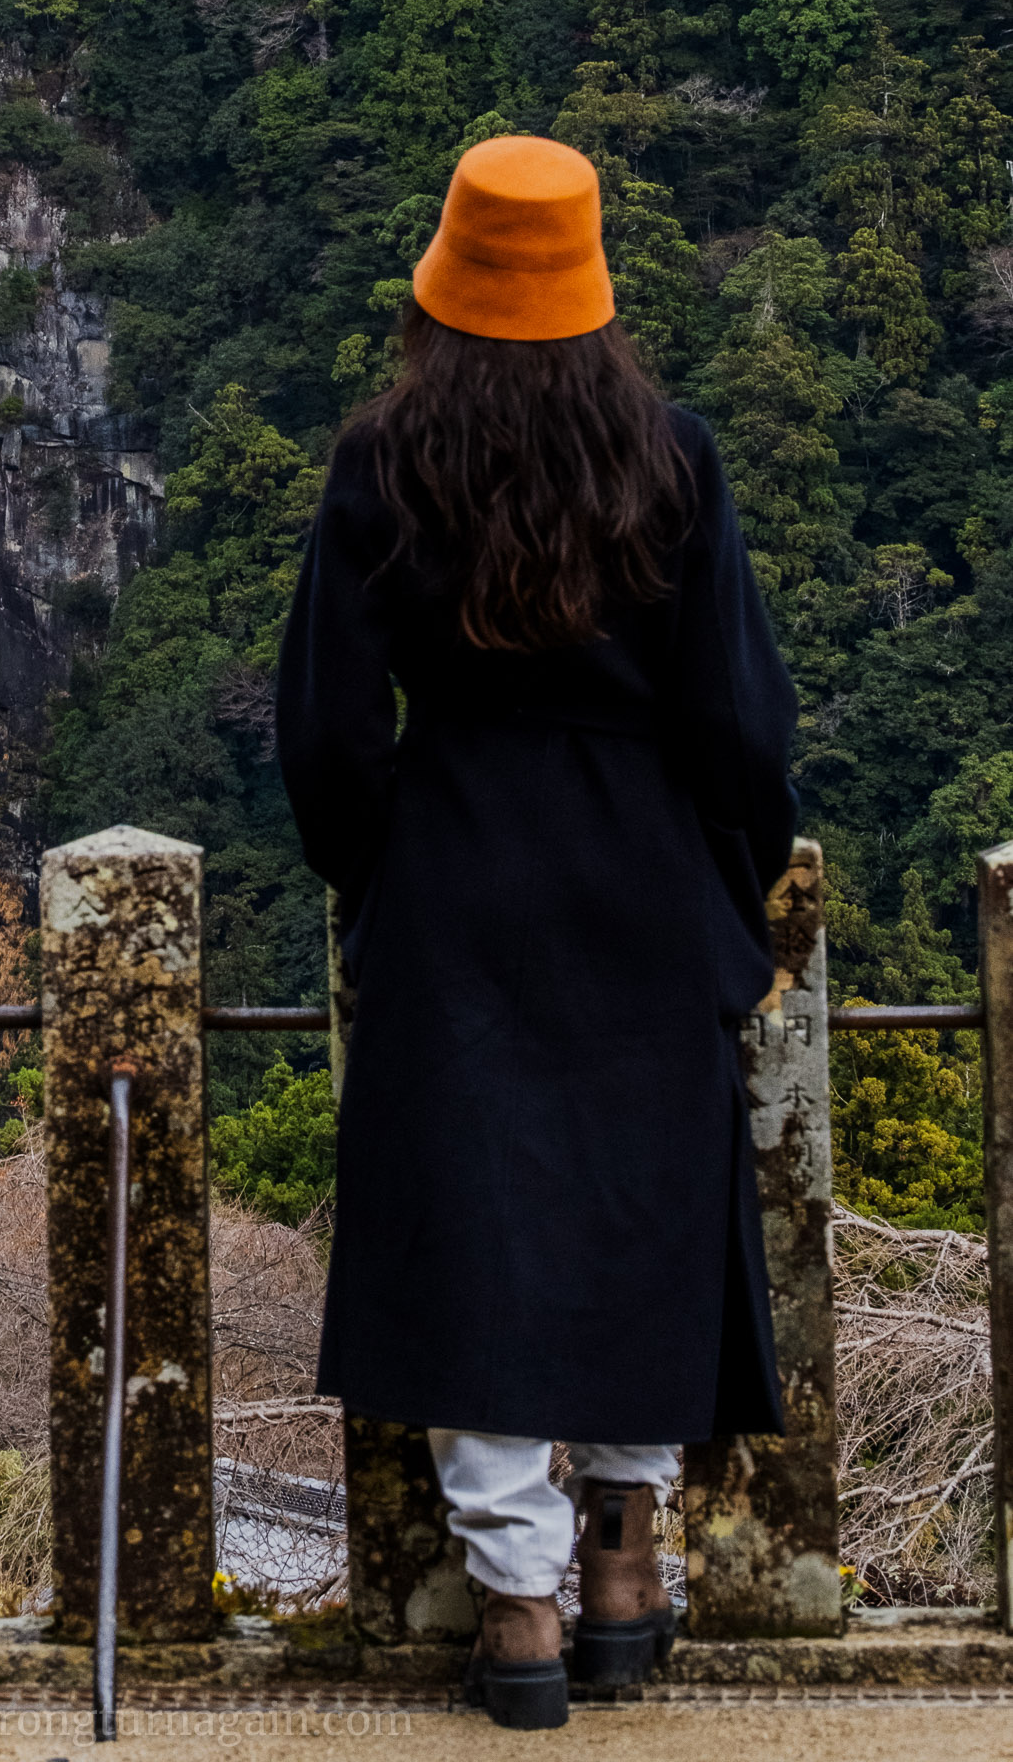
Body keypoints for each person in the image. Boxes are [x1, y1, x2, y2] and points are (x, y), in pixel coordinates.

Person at [276, 137, 797, 1733]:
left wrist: (382, 872)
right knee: (646, 1214)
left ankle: (517, 1611)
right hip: (643, 876)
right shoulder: (674, 458)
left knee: (477, 1230)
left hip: (459, 877)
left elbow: (329, 730)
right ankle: (625, 1577)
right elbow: (736, 720)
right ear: (593, 289)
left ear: (441, 287)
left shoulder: (386, 462)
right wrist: (728, 884)